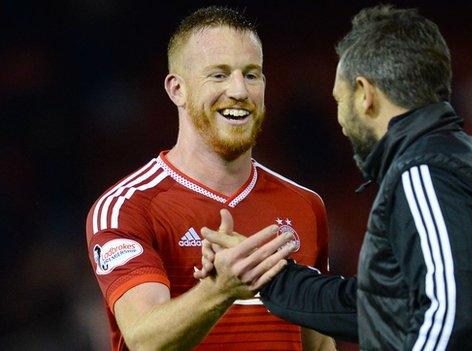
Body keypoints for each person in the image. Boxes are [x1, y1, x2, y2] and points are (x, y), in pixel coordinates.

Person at [204, 5, 472, 350]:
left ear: (365, 94)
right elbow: (382, 307)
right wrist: (265, 274)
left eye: (340, 100)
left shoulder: (425, 170)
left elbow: (447, 315)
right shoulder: (454, 159)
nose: (339, 120)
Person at [85, 6, 335, 351]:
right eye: (218, 75)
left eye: (252, 74)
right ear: (177, 89)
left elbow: (318, 344)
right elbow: (144, 339)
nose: (239, 91)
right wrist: (218, 290)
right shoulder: (127, 207)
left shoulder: (305, 205)